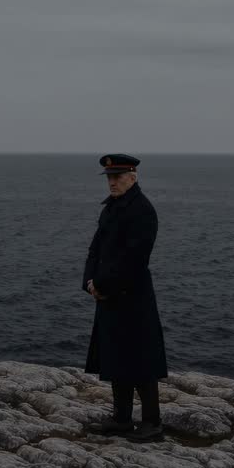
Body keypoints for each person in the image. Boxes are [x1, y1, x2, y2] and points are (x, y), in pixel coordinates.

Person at [83, 153, 168, 442]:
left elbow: (134, 260)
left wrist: (103, 285)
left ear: (133, 177)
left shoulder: (142, 210)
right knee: (117, 357)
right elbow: (95, 250)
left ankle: (152, 423)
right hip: (109, 297)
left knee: (141, 360)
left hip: (133, 298)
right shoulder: (112, 208)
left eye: (118, 177)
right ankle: (121, 420)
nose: (112, 182)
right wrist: (89, 283)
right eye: (109, 177)